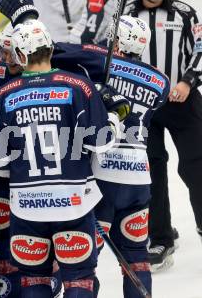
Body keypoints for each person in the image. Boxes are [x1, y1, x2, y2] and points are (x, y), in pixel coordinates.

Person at [0, 19, 120, 298]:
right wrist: (113, 119)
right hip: (72, 204)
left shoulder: (4, 94)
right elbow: (100, 142)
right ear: (50, 48)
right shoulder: (78, 86)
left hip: (27, 208)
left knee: (34, 281)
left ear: (22, 55)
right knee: (79, 280)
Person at [51, 15, 170, 296]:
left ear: (118, 41)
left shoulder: (102, 61)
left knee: (83, 262)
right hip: (138, 179)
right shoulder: (160, 80)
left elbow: (54, 51)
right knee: (136, 256)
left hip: (102, 176)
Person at [125, 0, 202, 271]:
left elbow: (200, 50)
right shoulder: (126, 17)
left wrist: (187, 81)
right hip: (144, 105)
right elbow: (114, 57)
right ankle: (161, 237)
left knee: (197, 165)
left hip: (183, 101)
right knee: (151, 171)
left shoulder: (184, 13)